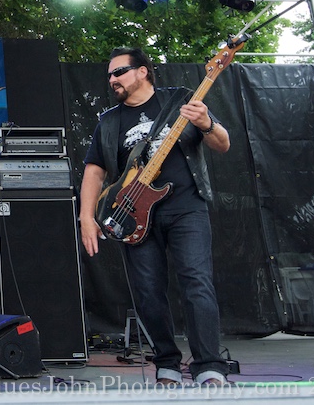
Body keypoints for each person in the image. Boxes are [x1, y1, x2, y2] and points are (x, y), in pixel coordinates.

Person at [78, 47, 230, 387]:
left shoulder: (180, 99)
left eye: (119, 72)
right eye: (109, 75)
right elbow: (94, 171)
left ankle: (209, 366)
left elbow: (223, 143)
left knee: (197, 282)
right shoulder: (109, 121)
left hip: (186, 208)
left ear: (143, 71)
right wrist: (86, 217)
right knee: (147, 291)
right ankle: (167, 364)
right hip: (134, 214)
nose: (112, 79)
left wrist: (206, 123)